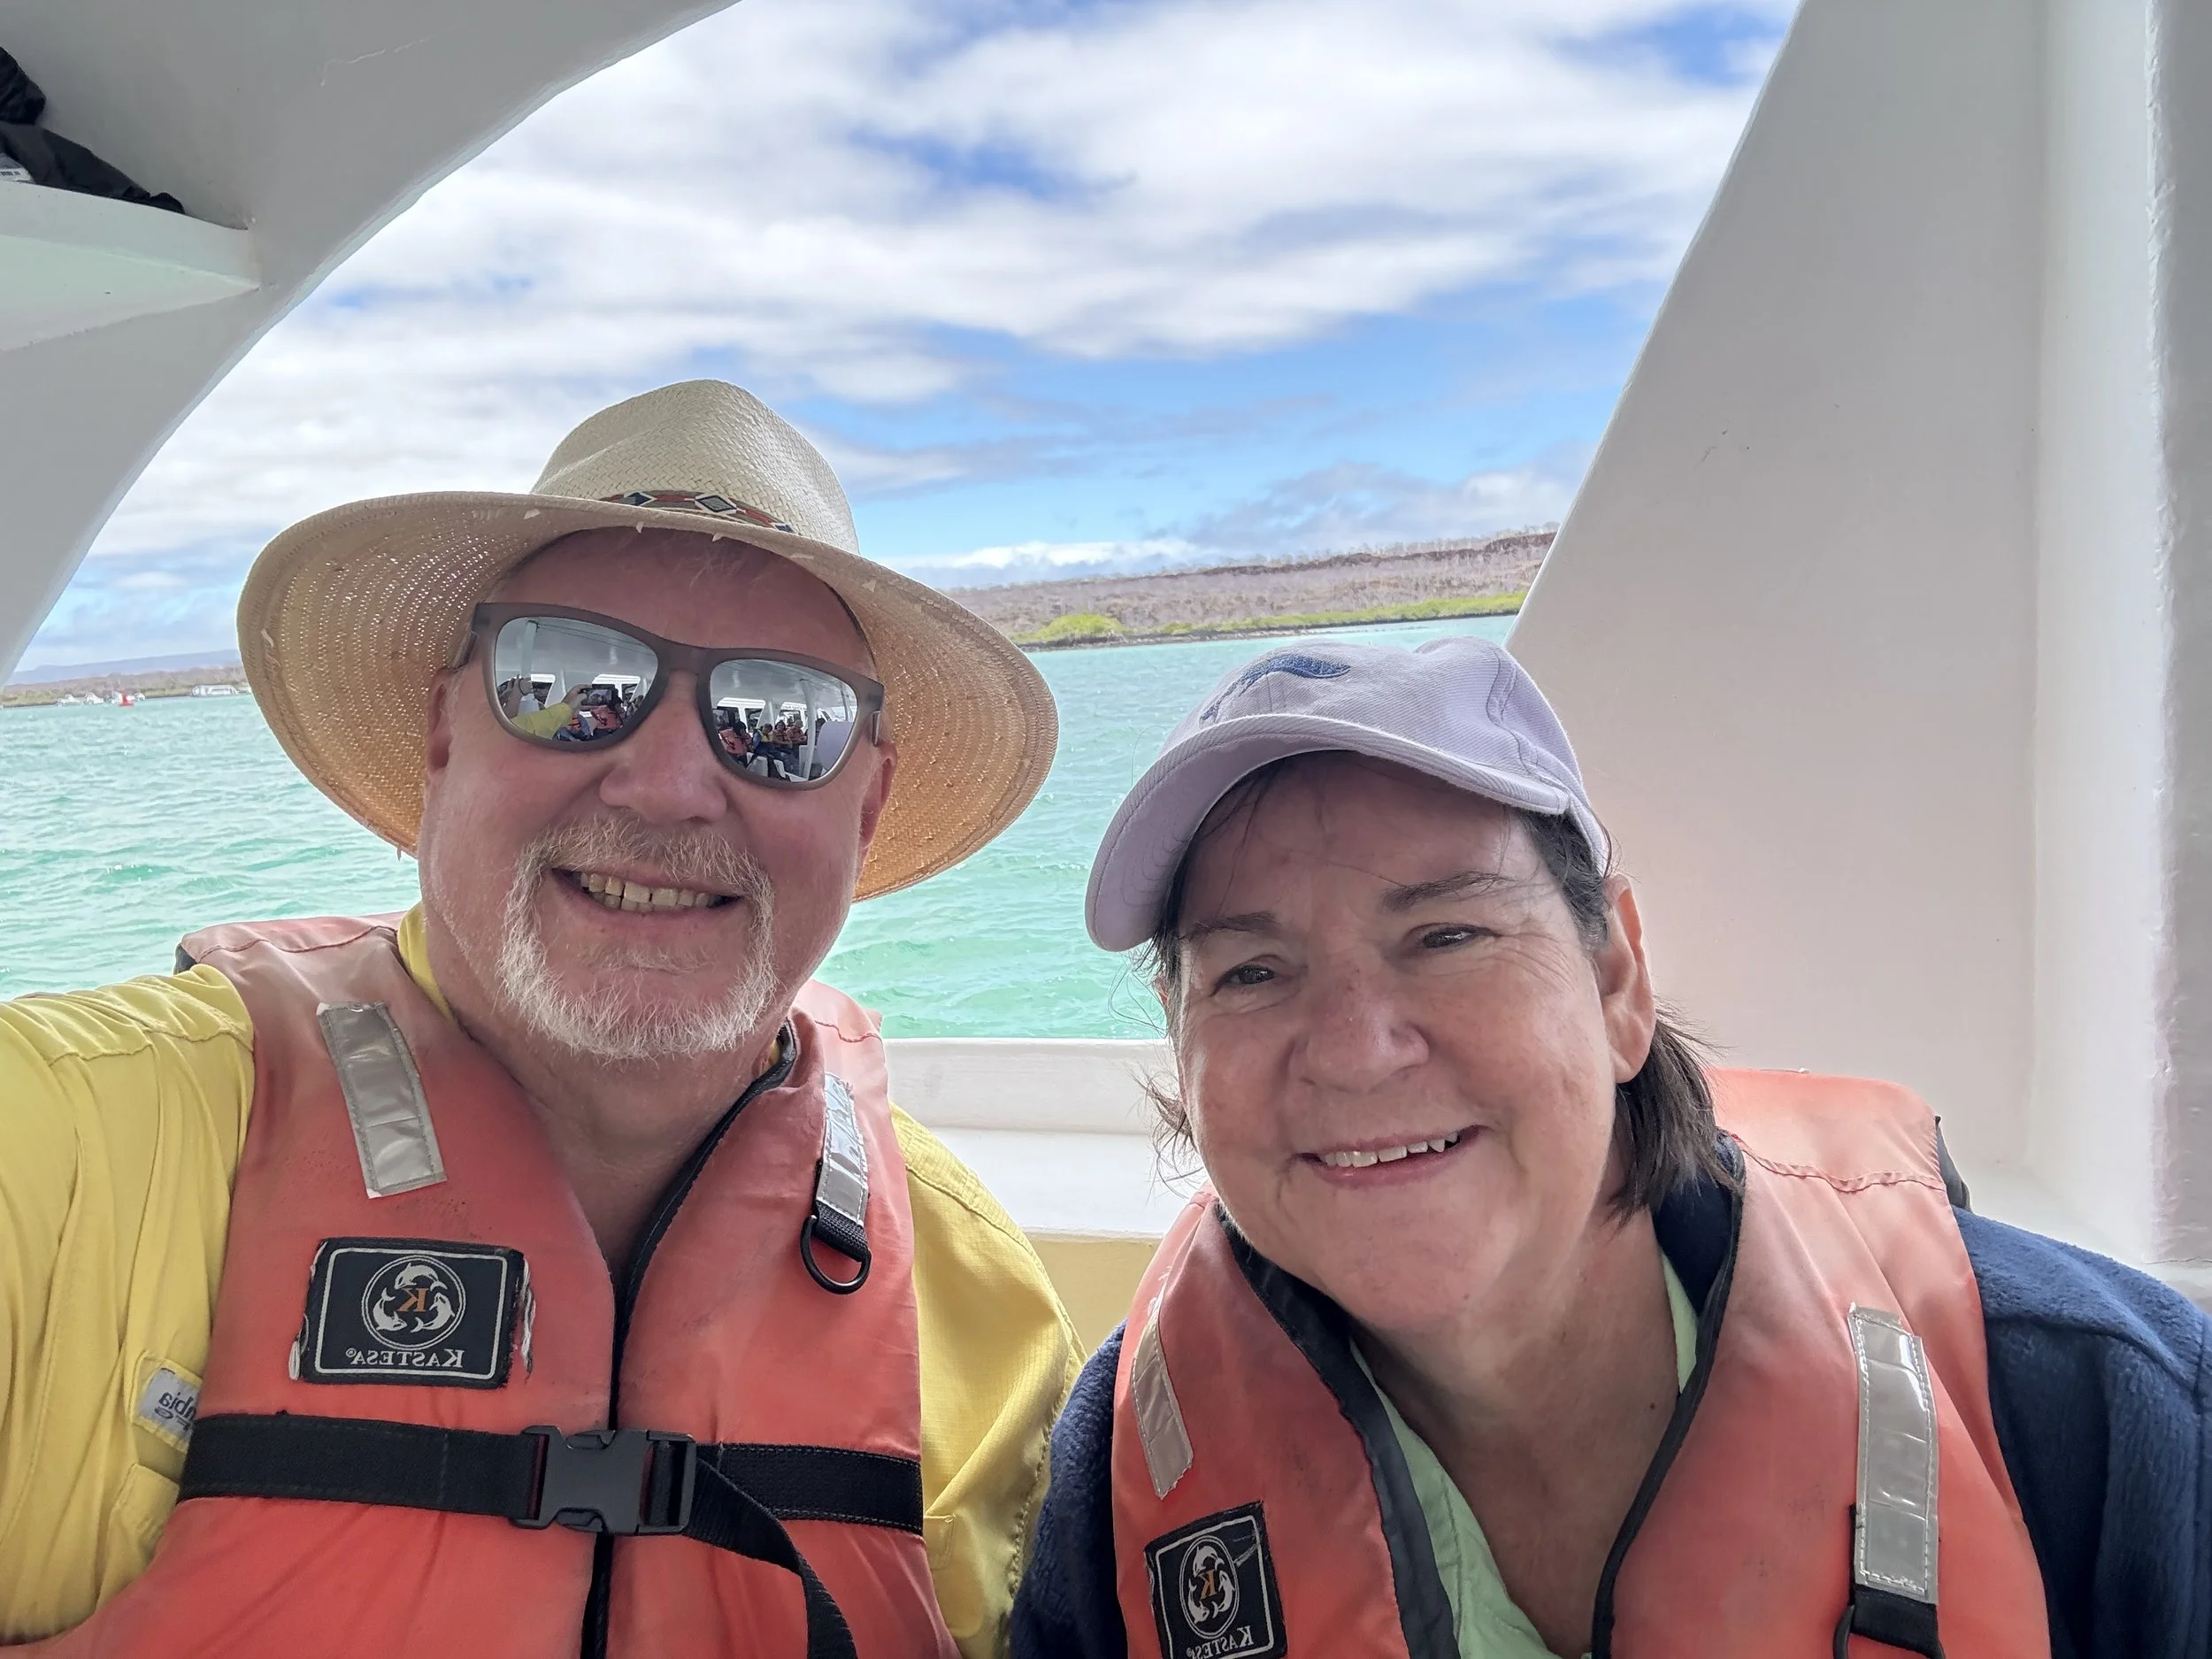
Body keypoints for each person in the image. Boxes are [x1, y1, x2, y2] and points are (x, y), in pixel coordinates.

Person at [0, 380, 1073, 1658]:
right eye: (567, 680)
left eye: (778, 720)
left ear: (869, 804)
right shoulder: (61, 1149)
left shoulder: (984, 1314)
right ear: (442, 732)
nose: (669, 785)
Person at [1012, 635, 2212, 1659]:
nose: (1356, 1050)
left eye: (1447, 934)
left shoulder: (2100, 1409)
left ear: (1615, 977)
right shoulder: (1121, 1467)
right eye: (1252, 972)